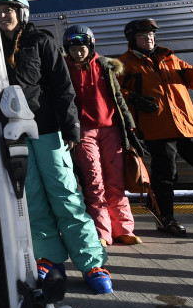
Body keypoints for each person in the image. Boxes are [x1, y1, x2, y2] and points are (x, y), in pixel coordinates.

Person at [0, 0, 112, 294]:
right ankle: (49, 256)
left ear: (21, 13)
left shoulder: (40, 41)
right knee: (31, 197)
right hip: (12, 133)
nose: (3, 15)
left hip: (47, 129)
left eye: (9, 9)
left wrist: (70, 128)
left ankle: (92, 262)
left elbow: (63, 87)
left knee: (65, 193)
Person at [117, 18, 193, 237]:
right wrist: (133, 97)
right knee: (165, 176)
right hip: (156, 129)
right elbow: (114, 93)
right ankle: (165, 219)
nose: (149, 39)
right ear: (132, 39)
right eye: (143, 36)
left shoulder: (171, 59)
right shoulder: (126, 64)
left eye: (151, 35)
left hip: (187, 126)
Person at [61, 24, 143, 246]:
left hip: (111, 130)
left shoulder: (105, 67)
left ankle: (124, 228)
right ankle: (101, 231)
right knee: (94, 181)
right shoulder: (62, 69)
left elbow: (118, 98)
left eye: (82, 47)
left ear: (90, 46)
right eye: (73, 48)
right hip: (83, 131)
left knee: (115, 181)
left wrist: (130, 127)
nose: (78, 52)